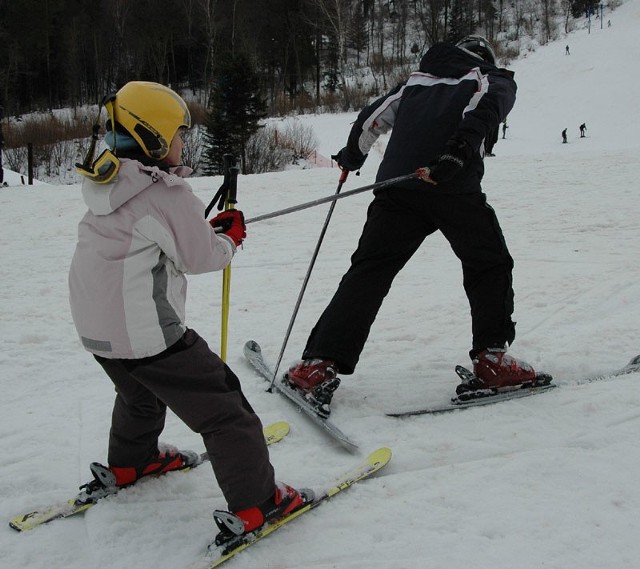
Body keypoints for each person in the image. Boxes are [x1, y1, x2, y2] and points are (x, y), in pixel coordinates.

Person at [69, 81, 305, 542]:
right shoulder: (167, 194)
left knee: (140, 395)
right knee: (224, 409)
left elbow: (154, 239)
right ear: (152, 137)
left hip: (97, 331)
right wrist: (228, 239)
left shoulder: (106, 182)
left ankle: (131, 461)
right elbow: (202, 258)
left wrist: (203, 231)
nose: (183, 143)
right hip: (146, 334)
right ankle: (259, 503)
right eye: (177, 134)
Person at [286, 36, 542, 410]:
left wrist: (352, 156)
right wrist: (456, 153)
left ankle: (317, 363)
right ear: (484, 58)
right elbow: (487, 110)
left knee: (370, 271)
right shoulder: (490, 77)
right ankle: (492, 360)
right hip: (451, 183)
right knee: (489, 263)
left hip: (399, 186)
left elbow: (372, 119)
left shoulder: (416, 80)